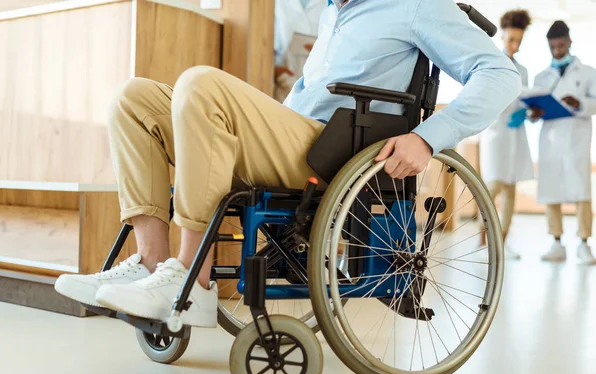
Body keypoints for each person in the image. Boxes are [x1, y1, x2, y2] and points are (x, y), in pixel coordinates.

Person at [55, 0, 521, 327]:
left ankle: (191, 280)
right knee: (133, 97)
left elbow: (502, 75)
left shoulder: (415, 5)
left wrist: (427, 137)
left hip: (330, 154)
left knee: (201, 82)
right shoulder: (333, 15)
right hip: (295, 136)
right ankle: (153, 264)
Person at [531, 21, 596, 264]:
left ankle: (584, 243)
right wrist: (534, 113)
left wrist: (578, 102)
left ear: (569, 42)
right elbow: (533, 107)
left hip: (576, 139)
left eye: (561, 45)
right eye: (552, 47)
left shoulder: (588, 73)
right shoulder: (541, 77)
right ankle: (556, 243)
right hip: (550, 140)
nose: (557, 51)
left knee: (581, 191)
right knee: (551, 191)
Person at [479, 10, 533, 260]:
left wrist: (528, 112)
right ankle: (483, 242)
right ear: (502, 35)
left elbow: (522, 99)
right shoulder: (490, 61)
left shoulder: (522, 70)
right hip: (495, 133)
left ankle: (502, 242)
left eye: (518, 41)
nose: (515, 45)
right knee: (492, 187)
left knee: (511, 187)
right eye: (511, 39)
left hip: (515, 134)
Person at [274, 0, 326, 102]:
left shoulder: (330, 4)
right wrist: (274, 70)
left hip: (319, 81)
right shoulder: (278, 3)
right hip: (286, 79)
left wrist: (321, 49)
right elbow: (270, 42)